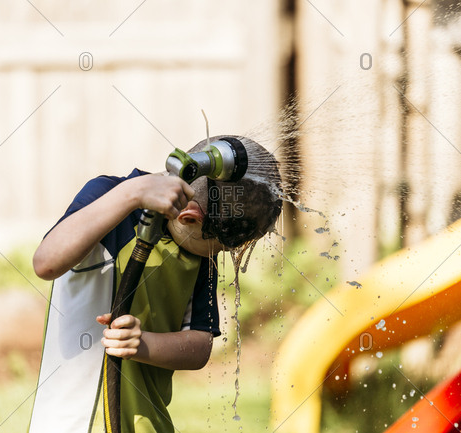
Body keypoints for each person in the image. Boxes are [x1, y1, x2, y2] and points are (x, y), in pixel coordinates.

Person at [28, 136, 282, 433]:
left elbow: (200, 345)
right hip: (75, 421)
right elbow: (46, 263)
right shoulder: (110, 199)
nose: (219, 255)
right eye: (222, 247)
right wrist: (131, 195)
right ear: (190, 218)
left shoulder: (199, 256)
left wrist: (143, 344)